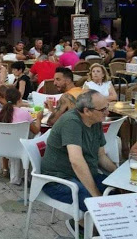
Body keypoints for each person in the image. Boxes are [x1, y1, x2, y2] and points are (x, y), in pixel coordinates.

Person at [41, 91, 117, 234]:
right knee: (95, 204)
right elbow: (76, 161)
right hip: (57, 180)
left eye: (107, 107)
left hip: (84, 174)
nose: (107, 112)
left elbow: (101, 156)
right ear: (87, 111)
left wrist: (119, 175)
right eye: (103, 109)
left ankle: (87, 227)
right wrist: (96, 196)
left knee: (118, 192)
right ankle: (86, 229)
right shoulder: (71, 122)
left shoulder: (96, 121)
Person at [0, 87, 42, 184]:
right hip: (20, 147)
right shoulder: (24, 113)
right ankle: (30, 172)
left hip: (3, 145)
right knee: (35, 135)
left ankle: (11, 171)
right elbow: (36, 130)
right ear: (19, 99)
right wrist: (39, 119)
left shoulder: (2, 112)